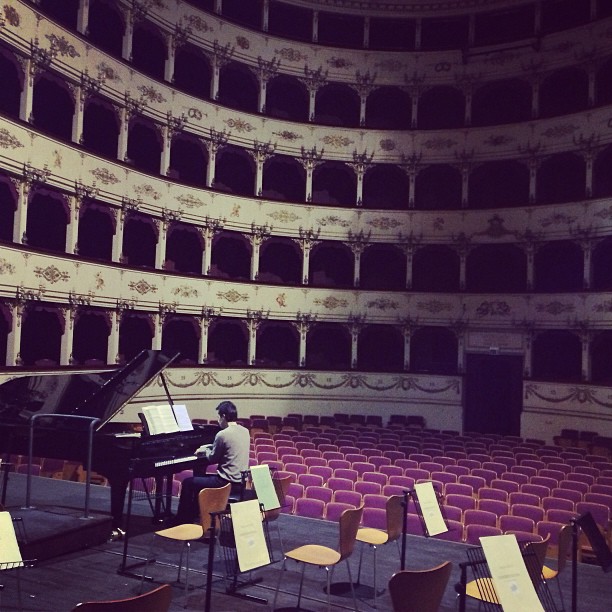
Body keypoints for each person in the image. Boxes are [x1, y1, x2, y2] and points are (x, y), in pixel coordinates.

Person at [172, 400, 250, 524]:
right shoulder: (245, 431)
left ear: (223, 416)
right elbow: (228, 447)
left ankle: (182, 519)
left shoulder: (223, 434)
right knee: (200, 479)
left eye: (218, 417)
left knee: (188, 482)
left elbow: (212, 459)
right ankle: (196, 514)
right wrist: (209, 447)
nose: (218, 420)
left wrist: (202, 451)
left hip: (224, 482)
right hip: (239, 483)